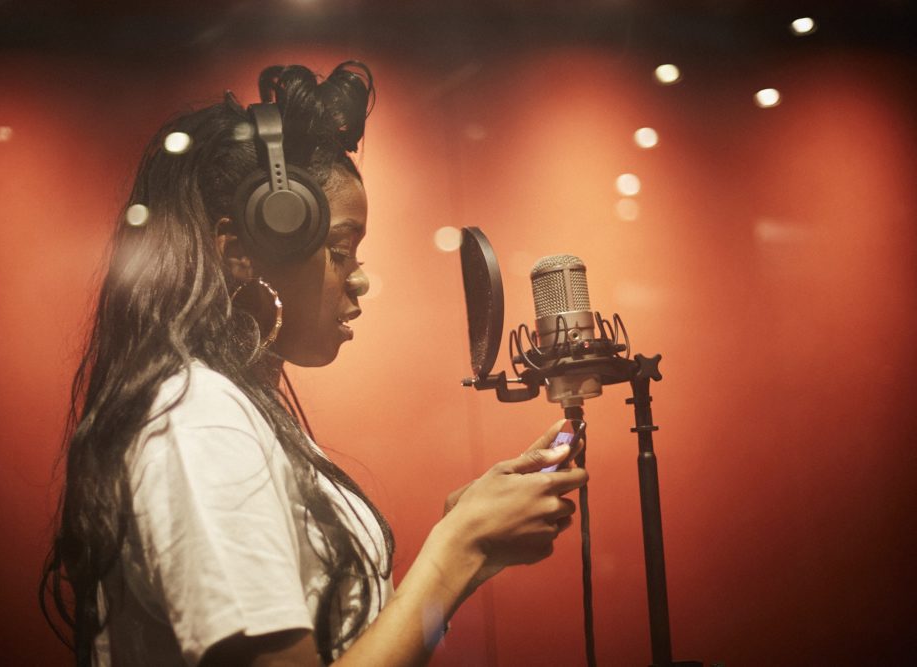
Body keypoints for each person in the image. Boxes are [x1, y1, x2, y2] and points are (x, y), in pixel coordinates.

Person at [40, 60, 587, 667]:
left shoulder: (235, 413)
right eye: (340, 250)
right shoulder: (200, 423)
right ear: (242, 252)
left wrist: (468, 556)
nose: (360, 279)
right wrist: (457, 551)